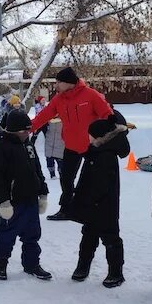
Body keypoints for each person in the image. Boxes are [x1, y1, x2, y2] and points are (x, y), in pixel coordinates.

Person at [30, 67, 112, 221]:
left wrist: (105, 137)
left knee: (91, 179)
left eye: (59, 82)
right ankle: (66, 209)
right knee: (66, 178)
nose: (56, 85)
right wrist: (26, 129)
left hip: (91, 147)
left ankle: (92, 208)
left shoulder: (90, 95)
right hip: (70, 146)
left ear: (69, 82)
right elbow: (44, 115)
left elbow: (108, 115)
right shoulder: (59, 99)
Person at [69, 111, 130, 287]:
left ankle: (116, 272)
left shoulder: (106, 155)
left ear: (99, 137)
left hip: (105, 205)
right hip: (92, 203)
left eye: (90, 135)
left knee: (111, 238)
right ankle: (83, 266)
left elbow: (103, 183)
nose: (87, 138)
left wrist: (92, 200)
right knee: (88, 236)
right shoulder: (96, 151)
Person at [0, 109, 51, 281]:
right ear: (13, 130)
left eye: (28, 130)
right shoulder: (0, 147)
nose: (27, 133)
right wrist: (4, 201)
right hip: (12, 201)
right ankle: (1, 263)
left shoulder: (28, 144)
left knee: (32, 234)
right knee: (6, 235)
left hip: (30, 199)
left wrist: (43, 191)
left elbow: (37, 169)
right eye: (24, 130)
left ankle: (32, 264)